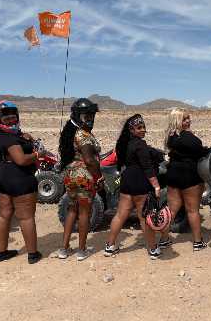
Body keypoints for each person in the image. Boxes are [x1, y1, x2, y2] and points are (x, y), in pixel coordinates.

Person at [104, 114, 163, 259]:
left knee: (120, 215)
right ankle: (153, 248)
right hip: (139, 182)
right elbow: (147, 167)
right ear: (131, 129)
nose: (143, 130)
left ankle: (110, 246)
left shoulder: (124, 143)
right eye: (139, 128)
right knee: (144, 218)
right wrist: (156, 186)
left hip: (126, 181)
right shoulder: (140, 144)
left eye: (143, 127)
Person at [0, 101, 42, 264]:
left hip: (3, 175)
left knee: (4, 214)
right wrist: (37, 155)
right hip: (19, 177)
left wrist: (26, 137)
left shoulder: (3, 135)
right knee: (26, 217)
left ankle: (1, 252)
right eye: (7, 119)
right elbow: (21, 159)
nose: (11, 121)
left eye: (13, 118)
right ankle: (33, 254)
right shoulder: (10, 138)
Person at [58, 98, 102, 261]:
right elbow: (89, 160)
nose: (90, 119)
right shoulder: (83, 135)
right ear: (77, 115)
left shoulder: (71, 132)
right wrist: (99, 177)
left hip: (71, 177)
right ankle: (82, 250)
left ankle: (64, 249)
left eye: (91, 115)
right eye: (86, 115)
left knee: (72, 210)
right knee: (84, 213)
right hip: (85, 178)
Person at [162, 108, 210, 250]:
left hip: (173, 174)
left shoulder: (170, 137)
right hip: (190, 175)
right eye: (184, 119)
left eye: (188, 118)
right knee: (192, 210)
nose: (188, 121)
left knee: (172, 210)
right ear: (177, 121)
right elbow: (200, 152)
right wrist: (210, 148)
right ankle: (197, 242)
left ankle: (164, 239)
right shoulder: (189, 137)